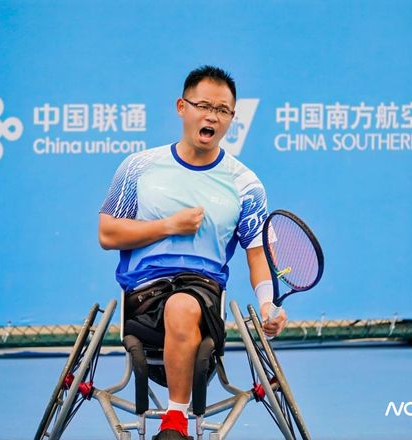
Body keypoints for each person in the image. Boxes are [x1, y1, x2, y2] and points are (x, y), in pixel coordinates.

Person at [98, 65, 287, 440]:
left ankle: (174, 422)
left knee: (182, 305)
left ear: (232, 118)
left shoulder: (246, 184)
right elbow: (108, 233)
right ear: (182, 107)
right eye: (204, 106)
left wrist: (267, 304)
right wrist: (168, 226)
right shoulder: (138, 167)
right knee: (174, 304)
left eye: (223, 110)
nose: (212, 116)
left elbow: (257, 253)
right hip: (143, 293)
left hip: (202, 293)